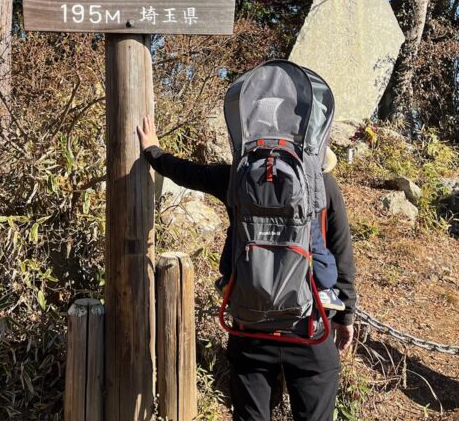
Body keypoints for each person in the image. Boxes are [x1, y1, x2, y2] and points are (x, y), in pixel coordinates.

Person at [137, 115, 357, 421]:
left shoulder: (237, 178)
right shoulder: (323, 184)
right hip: (310, 327)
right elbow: (341, 252)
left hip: (249, 324)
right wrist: (345, 316)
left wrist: (153, 152)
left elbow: (187, 172)